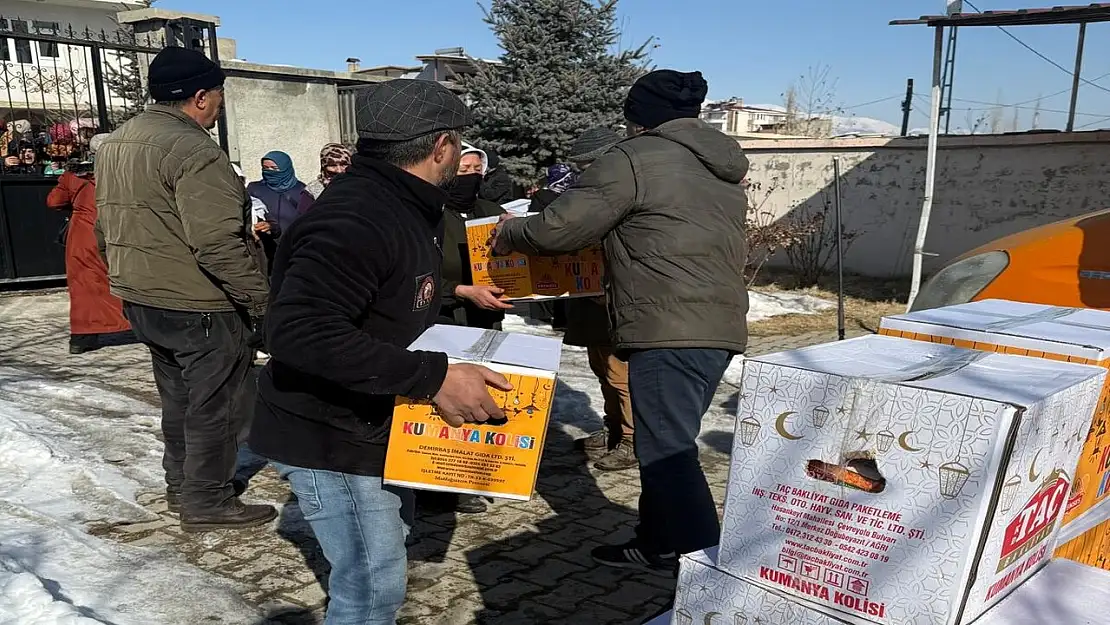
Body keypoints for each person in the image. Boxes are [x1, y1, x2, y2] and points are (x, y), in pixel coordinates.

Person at [250, 79, 513, 624]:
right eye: (459, 144)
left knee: (389, 551)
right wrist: (432, 377)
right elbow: (298, 331)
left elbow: (390, 287)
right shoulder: (357, 217)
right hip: (330, 434)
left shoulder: (406, 205)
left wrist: (454, 298)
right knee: (371, 592)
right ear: (441, 145)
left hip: (377, 420)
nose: (461, 155)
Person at [492, 69, 749, 571]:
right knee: (664, 439)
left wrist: (512, 232)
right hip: (717, 324)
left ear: (638, 117)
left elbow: (560, 229)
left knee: (667, 451)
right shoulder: (717, 166)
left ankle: (704, 569)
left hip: (666, 325)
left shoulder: (633, 159)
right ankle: (657, 543)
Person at [95, 46, 275, 532]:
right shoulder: (196, 151)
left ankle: (181, 485)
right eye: (218, 95)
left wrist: (125, 277)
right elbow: (217, 243)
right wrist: (262, 302)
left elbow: (102, 225)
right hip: (201, 304)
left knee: (178, 399)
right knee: (217, 405)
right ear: (200, 96)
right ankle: (208, 499)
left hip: (145, 298)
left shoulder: (117, 143)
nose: (219, 106)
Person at [437, 141, 514, 515]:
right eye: (461, 170)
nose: (467, 178)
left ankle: (469, 476)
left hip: (485, 323)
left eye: (474, 171)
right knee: (443, 400)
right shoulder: (430, 215)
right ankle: (433, 481)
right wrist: (460, 291)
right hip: (442, 322)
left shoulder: (491, 213)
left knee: (478, 398)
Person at [554, 127, 636, 472]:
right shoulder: (593, 193)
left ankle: (633, 441)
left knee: (621, 374)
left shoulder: (626, 192)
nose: (582, 172)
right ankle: (614, 428)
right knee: (602, 369)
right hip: (589, 295)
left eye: (588, 165)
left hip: (618, 295)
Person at [46, 133, 133, 355]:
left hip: (84, 234)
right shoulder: (124, 170)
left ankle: (82, 336)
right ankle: (136, 323)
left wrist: (77, 206)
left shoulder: (74, 175)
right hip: (120, 229)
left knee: (83, 285)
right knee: (126, 279)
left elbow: (54, 201)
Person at [297, 143, 352, 213]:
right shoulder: (312, 190)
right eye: (332, 165)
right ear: (324, 166)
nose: (339, 170)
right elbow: (303, 218)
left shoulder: (359, 185)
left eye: (344, 164)